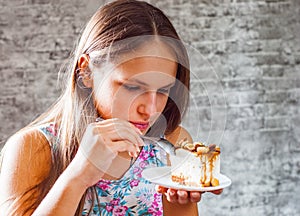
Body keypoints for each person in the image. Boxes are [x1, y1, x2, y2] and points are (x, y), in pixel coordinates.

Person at [0, 0, 222, 215]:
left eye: (163, 91)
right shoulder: (32, 148)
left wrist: (183, 202)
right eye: (133, 87)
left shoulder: (171, 144)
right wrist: (78, 176)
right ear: (86, 72)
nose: (150, 110)